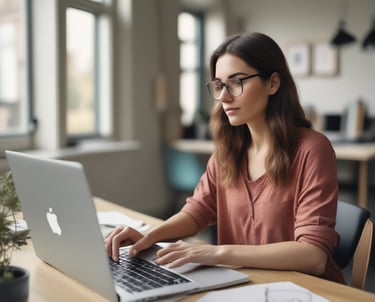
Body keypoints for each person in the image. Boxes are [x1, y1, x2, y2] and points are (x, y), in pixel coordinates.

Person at [105, 32, 345, 284]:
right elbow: (197, 212)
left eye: (237, 82)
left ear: (273, 83)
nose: (224, 97)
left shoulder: (312, 149)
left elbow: (313, 256)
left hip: (305, 290)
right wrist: (148, 236)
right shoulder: (228, 150)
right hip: (245, 284)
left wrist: (217, 252)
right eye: (219, 85)